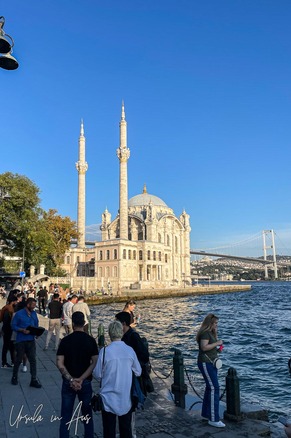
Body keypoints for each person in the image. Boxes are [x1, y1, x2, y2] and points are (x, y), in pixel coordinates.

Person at [93, 320, 141, 438]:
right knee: (126, 429)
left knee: (109, 430)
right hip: (125, 396)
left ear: (109, 334)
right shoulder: (129, 350)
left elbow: (98, 374)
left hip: (108, 397)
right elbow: (138, 371)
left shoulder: (105, 352)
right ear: (122, 333)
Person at [56, 311, 98, 438]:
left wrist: (71, 380)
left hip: (68, 382)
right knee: (87, 416)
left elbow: (59, 363)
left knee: (66, 416)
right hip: (85, 382)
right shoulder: (91, 341)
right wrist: (81, 379)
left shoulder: (65, 341)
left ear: (73, 324)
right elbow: (94, 363)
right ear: (84, 323)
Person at [115, 311, 150, 438]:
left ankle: (131, 432)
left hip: (132, 375)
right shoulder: (124, 336)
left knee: (131, 404)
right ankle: (125, 431)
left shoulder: (133, 336)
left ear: (123, 324)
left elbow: (144, 356)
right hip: (125, 375)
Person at [196, 313, 225, 428]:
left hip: (211, 362)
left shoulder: (211, 333)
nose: (216, 325)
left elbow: (210, 347)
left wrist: (218, 349)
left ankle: (206, 413)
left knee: (210, 388)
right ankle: (213, 418)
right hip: (205, 363)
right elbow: (204, 347)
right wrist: (217, 343)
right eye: (215, 323)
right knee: (214, 388)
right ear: (210, 323)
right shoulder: (205, 333)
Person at [11, 297, 42, 388]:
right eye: (32, 305)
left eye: (35, 306)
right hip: (21, 340)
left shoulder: (34, 314)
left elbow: (36, 324)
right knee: (18, 359)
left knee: (33, 360)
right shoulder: (19, 314)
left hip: (31, 340)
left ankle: (33, 379)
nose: (33, 307)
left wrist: (37, 332)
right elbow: (13, 325)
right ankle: (14, 376)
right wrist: (21, 330)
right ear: (28, 305)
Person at [1, 295, 18, 367]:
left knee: (11, 346)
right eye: (16, 301)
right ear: (13, 302)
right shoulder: (8, 310)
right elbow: (6, 321)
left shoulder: (9, 308)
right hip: (8, 330)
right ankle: (4, 362)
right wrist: (3, 330)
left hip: (9, 330)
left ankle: (13, 361)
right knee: (6, 346)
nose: (16, 302)